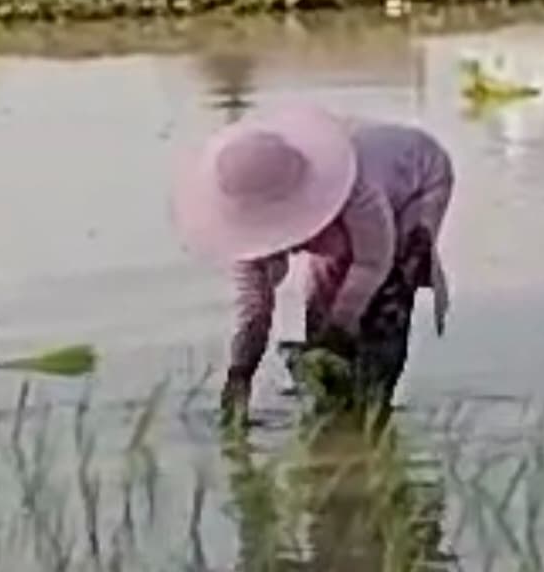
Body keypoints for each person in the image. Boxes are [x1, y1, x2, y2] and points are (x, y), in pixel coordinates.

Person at [174, 103, 456, 421]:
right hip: (345, 230)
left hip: (417, 183)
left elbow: (373, 262)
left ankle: (375, 409)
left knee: (389, 292)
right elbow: (255, 306)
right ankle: (335, 406)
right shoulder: (245, 223)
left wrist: (339, 328)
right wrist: (241, 372)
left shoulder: (354, 188)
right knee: (322, 307)